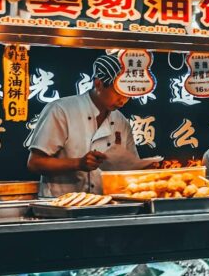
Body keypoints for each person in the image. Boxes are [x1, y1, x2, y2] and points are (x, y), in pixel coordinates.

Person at [27, 54, 139, 197]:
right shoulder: (62, 110)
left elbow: (131, 168)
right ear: (98, 84)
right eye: (118, 92)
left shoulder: (121, 121)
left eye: (128, 93)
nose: (123, 100)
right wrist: (78, 164)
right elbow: (35, 163)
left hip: (106, 205)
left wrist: (148, 166)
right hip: (60, 205)